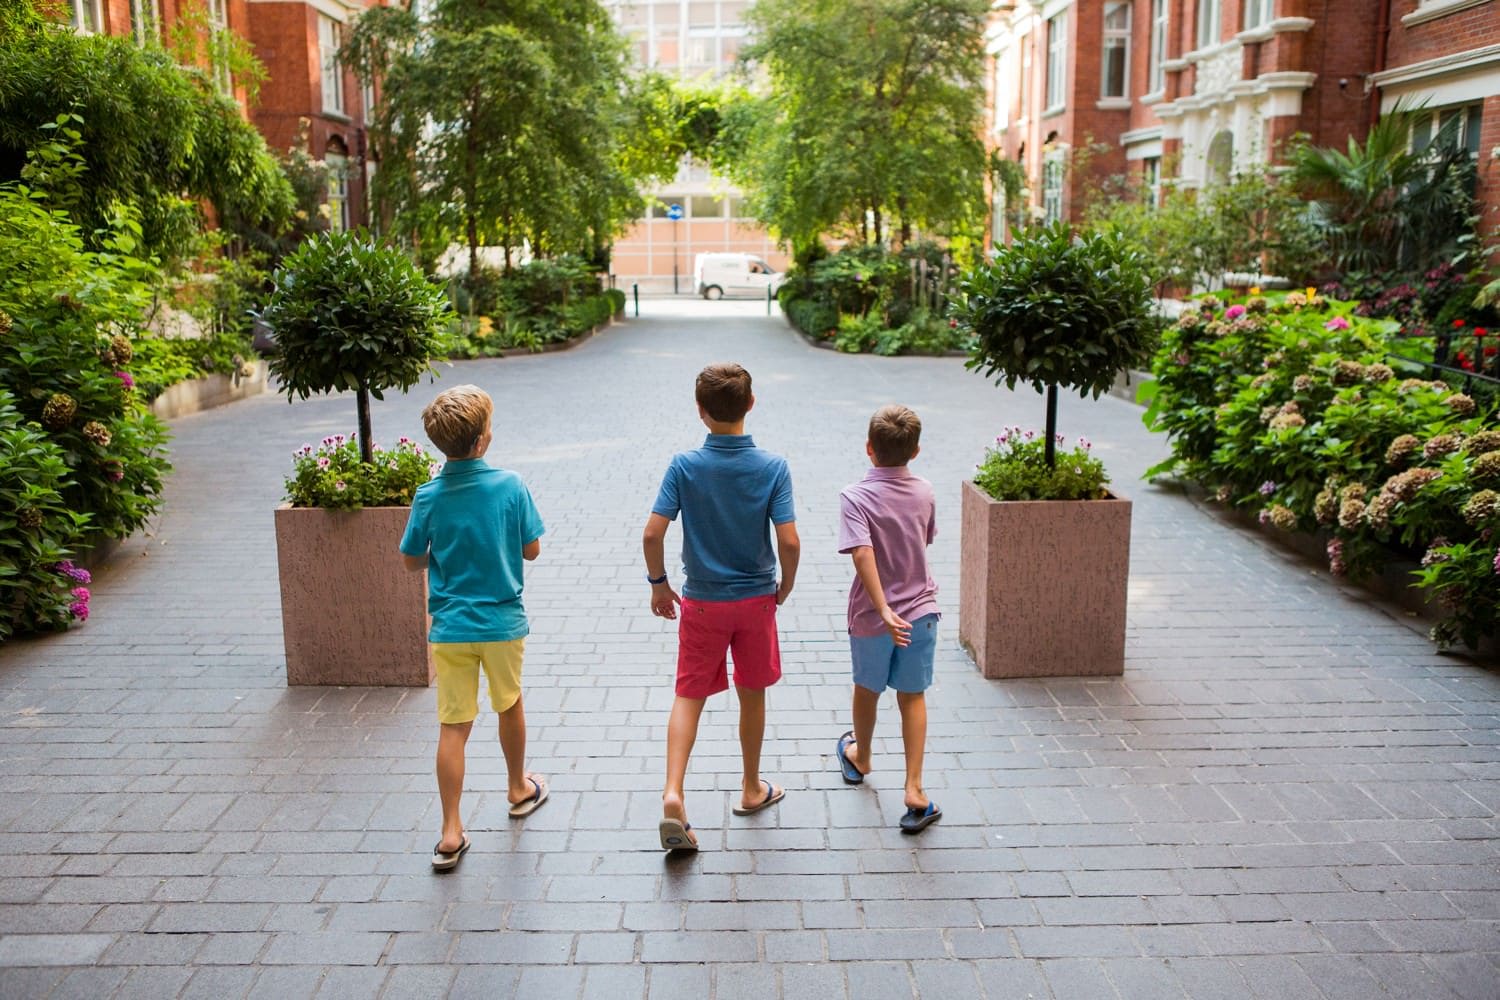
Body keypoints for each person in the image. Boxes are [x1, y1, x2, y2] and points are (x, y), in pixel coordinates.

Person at [643, 363, 800, 852]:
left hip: (702, 602)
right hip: (755, 601)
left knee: (688, 695)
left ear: (701, 411)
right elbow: (789, 541)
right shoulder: (772, 467)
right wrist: (785, 586)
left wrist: (659, 586)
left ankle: (673, 792)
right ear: (751, 404)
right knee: (751, 694)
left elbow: (652, 532)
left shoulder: (684, 466)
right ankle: (752, 788)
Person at [400, 384, 548, 871]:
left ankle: (449, 831)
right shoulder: (510, 485)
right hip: (503, 623)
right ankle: (517, 787)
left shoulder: (428, 496)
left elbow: (410, 560)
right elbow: (532, 550)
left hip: (451, 628)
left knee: (454, 725)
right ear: (483, 441)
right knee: (509, 704)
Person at [834, 404, 942, 833]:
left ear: (868, 449)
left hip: (872, 617)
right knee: (912, 696)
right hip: (921, 610)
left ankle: (861, 755)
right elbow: (925, 540)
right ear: (915, 451)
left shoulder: (854, 497)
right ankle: (914, 787)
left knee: (867, 688)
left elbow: (862, 553)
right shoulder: (925, 491)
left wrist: (882, 609)